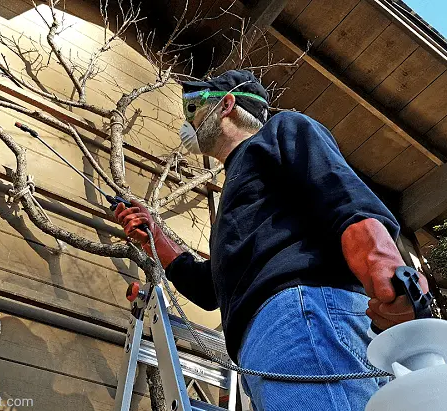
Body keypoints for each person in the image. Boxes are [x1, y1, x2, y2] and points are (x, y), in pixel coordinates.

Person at [114, 70, 429, 410]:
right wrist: (156, 239)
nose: (186, 121)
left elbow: (342, 195)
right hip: (268, 341)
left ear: (226, 105)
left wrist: (384, 268)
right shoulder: (239, 194)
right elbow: (211, 289)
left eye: (192, 109)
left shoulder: (282, 131)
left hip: (303, 316)